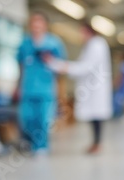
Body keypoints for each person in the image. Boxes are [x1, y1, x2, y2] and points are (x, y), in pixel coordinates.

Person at [43, 22, 112, 154]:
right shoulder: (92, 45)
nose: (80, 36)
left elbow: (84, 67)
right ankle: (95, 143)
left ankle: (97, 144)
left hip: (95, 89)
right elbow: (82, 65)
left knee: (96, 117)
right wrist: (58, 64)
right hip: (92, 88)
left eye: (82, 33)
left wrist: (58, 65)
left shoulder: (96, 44)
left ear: (88, 31)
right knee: (94, 117)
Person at [15, 11, 66, 155]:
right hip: (27, 88)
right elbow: (21, 67)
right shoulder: (24, 44)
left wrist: (61, 92)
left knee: (43, 120)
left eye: (39, 23)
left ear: (45, 25)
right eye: (33, 23)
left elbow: (60, 69)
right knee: (26, 118)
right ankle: (32, 142)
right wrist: (17, 86)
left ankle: (41, 146)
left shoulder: (54, 43)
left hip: (46, 89)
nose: (36, 26)